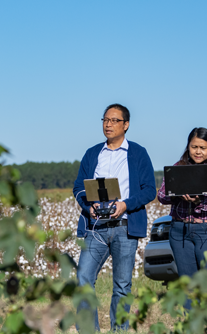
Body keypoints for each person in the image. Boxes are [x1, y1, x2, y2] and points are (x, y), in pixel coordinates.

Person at [72, 103, 156, 332]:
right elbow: (79, 186)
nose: (108, 124)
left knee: (121, 286)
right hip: (95, 227)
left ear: (126, 125)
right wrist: (88, 205)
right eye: (105, 120)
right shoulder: (92, 153)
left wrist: (125, 204)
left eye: (114, 120)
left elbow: (150, 190)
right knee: (83, 279)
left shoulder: (138, 153)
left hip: (124, 227)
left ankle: (119, 330)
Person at [157, 127, 207, 292]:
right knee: (188, 284)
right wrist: (177, 195)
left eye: (203, 148)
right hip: (180, 230)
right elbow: (162, 195)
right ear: (188, 146)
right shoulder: (178, 167)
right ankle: (190, 317)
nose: (198, 152)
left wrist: (197, 201)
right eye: (194, 147)